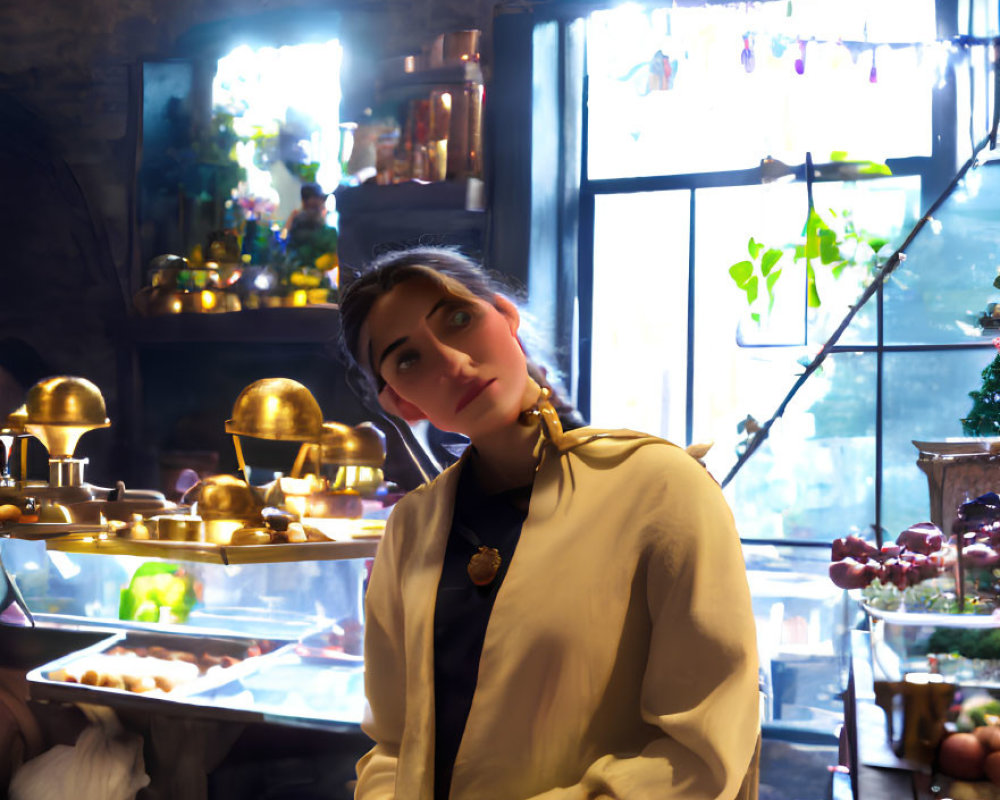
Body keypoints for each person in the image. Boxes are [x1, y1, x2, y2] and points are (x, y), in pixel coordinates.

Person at [339, 246, 761, 800]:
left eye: (459, 320)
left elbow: (701, 751)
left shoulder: (661, 488)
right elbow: (393, 743)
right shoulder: (412, 527)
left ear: (505, 317)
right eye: (409, 359)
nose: (454, 362)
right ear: (400, 402)